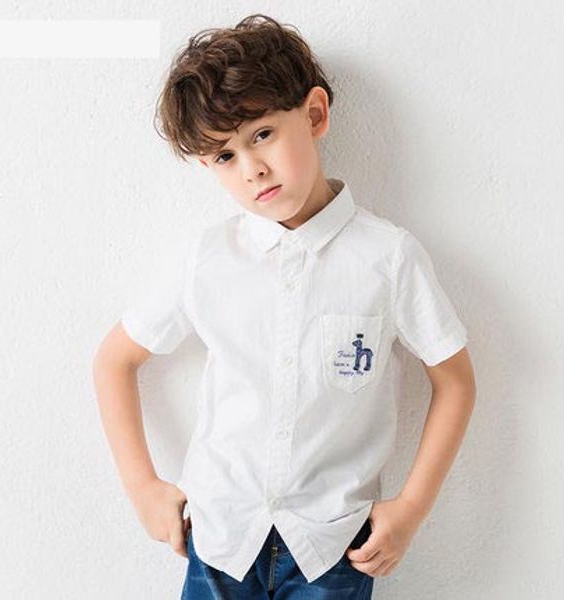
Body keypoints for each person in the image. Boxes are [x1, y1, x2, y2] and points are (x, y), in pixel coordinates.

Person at [92, 13, 476, 600]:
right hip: (221, 537)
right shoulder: (207, 259)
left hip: (334, 546)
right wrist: (143, 487)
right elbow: (115, 360)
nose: (253, 169)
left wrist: (411, 509)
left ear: (315, 115)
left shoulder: (388, 257)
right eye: (224, 156)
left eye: (262, 134)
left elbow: (454, 380)